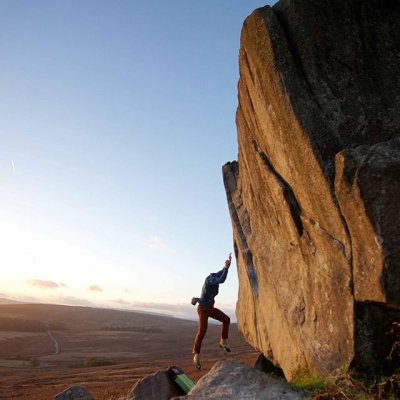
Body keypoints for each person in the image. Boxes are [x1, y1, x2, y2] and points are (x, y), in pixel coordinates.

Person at [191, 253, 232, 370]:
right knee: (202, 330)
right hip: (203, 309)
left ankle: (223, 341)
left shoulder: (213, 277)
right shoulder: (210, 280)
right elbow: (222, 279)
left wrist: (226, 267)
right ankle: (196, 355)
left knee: (226, 319)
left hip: (209, 308)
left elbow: (221, 274)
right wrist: (226, 268)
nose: (216, 281)